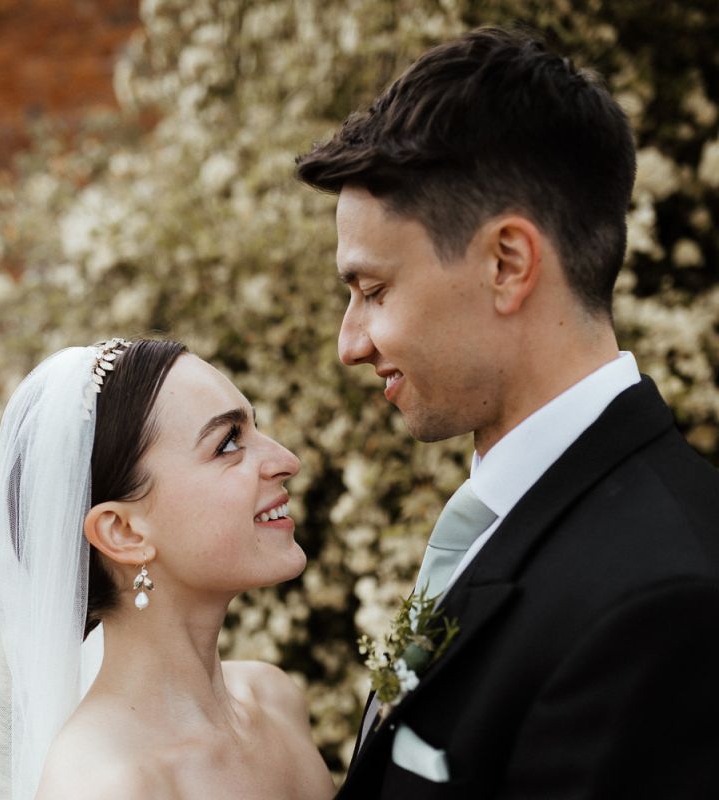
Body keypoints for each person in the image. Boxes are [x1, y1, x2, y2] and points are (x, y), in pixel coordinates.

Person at [296, 26, 719, 799]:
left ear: (507, 264)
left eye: (374, 290)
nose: (348, 344)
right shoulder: (517, 517)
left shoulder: (664, 602)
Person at [0, 337, 335, 800]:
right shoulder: (104, 785)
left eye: (255, 428)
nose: (286, 461)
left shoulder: (274, 699)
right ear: (122, 532)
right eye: (228, 443)